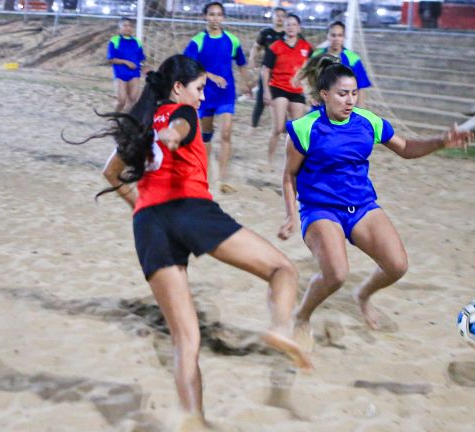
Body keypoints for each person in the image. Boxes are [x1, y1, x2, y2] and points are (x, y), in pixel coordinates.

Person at [70, 54, 312, 428]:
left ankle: (193, 420)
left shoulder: (141, 122)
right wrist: (174, 134)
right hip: (191, 210)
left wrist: (141, 205)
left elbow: (110, 171)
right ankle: (279, 328)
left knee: (186, 340)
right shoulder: (183, 113)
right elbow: (181, 124)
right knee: (283, 269)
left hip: (149, 224)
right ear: (178, 88)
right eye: (198, 89)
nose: (202, 98)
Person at [278, 55, 473, 350]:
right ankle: (302, 316)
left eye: (354, 93)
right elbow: (290, 175)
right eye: (343, 94)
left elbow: (406, 148)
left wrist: (441, 141)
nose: (350, 100)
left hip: (361, 206)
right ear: (324, 95)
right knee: (336, 274)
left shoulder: (368, 121)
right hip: (320, 209)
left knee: (397, 266)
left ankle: (363, 295)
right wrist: (291, 215)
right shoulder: (305, 128)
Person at [183, 1, 253, 193]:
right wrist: (211, 76)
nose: (215, 18)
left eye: (219, 14)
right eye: (211, 14)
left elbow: (241, 63)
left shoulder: (232, 40)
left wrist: (247, 83)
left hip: (226, 94)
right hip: (204, 94)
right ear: (205, 16)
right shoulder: (197, 40)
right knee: (206, 136)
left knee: (226, 132)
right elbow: (189, 65)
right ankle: (204, 174)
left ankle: (223, 178)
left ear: (223, 17)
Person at [262, 13, 312, 164]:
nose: (290, 27)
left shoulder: (306, 47)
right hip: (278, 88)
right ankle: (269, 160)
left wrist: (309, 91)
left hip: (296, 91)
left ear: (299, 27)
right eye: (288, 24)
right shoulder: (275, 47)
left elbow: (308, 70)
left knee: (296, 131)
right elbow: (265, 70)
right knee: (278, 128)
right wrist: (266, 91)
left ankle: (291, 162)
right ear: (283, 28)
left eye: (293, 24)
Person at [308, 21, 371, 107]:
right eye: (333, 35)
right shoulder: (317, 55)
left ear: (344, 37)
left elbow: (361, 86)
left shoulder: (353, 59)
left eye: (340, 35)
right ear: (327, 35)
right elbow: (308, 78)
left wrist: (361, 110)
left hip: (342, 108)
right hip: (320, 106)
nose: (336, 39)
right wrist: (310, 96)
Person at [249, 7, 287, 128]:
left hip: (284, 73)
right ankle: (253, 126)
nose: (280, 18)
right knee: (260, 99)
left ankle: (284, 128)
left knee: (283, 99)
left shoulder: (289, 33)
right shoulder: (266, 33)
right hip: (267, 71)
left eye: (282, 16)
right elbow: (256, 47)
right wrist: (252, 60)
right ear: (273, 17)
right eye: (277, 15)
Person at [107, 17, 147, 113]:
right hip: (120, 74)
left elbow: (140, 58)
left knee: (134, 100)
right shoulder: (114, 40)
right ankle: (115, 118)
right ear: (119, 28)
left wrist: (144, 67)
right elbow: (111, 59)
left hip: (134, 74)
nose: (127, 28)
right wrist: (126, 62)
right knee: (122, 101)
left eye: (129, 26)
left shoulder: (137, 42)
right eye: (125, 25)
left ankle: (126, 119)